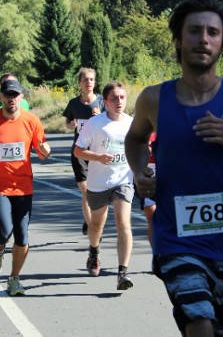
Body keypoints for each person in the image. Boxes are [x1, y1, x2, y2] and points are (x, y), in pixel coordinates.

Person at [125, 0, 223, 337]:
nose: (203, 39)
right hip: (175, 238)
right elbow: (134, 139)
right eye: (194, 31)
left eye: (213, 32)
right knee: (199, 320)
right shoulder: (153, 98)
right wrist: (139, 172)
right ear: (179, 39)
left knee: (214, 328)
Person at [0, 79, 51, 296]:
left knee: (22, 237)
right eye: (8, 95)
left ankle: (14, 278)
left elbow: (42, 150)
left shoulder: (32, 121)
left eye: (15, 95)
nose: (11, 99)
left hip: (24, 186)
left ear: (21, 98)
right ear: (1, 98)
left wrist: (45, 150)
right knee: (5, 232)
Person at [74, 81, 134, 291]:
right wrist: (98, 157)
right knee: (97, 224)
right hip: (98, 183)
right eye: (114, 98)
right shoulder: (95, 123)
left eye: (122, 97)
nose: (119, 102)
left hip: (123, 181)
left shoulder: (131, 123)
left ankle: (122, 272)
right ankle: (94, 250)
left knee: (123, 222)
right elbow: (78, 151)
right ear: (106, 101)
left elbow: (139, 149)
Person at [63, 67, 105, 236]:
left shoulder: (102, 101)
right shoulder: (74, 103)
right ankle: (93, 228)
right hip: (79, 152)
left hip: (98, 151)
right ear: (79, 83)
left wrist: (101, 115)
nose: (89, 82)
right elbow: (67, 122)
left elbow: (112, 120)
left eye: (91, 79)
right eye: (85, 79)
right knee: (86, 191)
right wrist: (70, 125)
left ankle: (91, 222)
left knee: (96, 192)